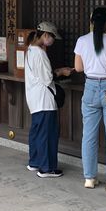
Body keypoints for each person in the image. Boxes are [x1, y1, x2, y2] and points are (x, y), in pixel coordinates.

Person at [74, 7, 106, 191]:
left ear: (91, 21)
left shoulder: (81, 41)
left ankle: (89, 178)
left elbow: (78, 68)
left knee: (88, 135)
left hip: (89, 88)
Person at [25, 21, 73, 178]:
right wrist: (62, 72)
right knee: (48, 134)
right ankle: (46, 168)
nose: (53, 40)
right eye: (52, 37)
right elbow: (47, 78)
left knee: (37, 132)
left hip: (34, 98)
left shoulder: (30, 50)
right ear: (45, 35)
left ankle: (35, 161)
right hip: (44, 100)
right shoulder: (40, 53)